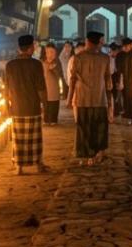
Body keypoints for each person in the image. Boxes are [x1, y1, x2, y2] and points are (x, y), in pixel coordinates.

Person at [3, 35, 50, 175]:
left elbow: (6, 88)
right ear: (30, 48)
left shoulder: (10, 65)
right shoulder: (36, 64)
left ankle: (19, 167)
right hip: (33, 106)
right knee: (34, 138)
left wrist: (7, 106)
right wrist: (45, 105)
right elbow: (41, 87)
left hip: (17, 107)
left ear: (19, 48)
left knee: (18, 138)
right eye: (34, 46)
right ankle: (38, 164)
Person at [69, 31, 113, 164]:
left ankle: (87, 155)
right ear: (98, 42)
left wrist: (69, 97)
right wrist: (109, 100)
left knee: (84, 127)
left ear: (87, 41)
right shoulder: (105, 58)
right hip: (99, 99)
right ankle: (96, 153)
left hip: (83, 99)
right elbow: (108, 81)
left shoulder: (78, 57)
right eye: (101, 41)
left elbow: (72, 79)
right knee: (99, 127)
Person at [42, 44, 64, 125]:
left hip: (54, 88)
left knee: (54, 104)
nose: (50, 54)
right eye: (48, 52)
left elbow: (60, 75)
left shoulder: (57, 64)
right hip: (45, 88)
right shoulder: (43, 63)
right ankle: (46, 119)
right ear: (45, 53)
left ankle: (53, 119)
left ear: (55, 53)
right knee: (46, 105)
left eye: (52, 52)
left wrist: (53, 69)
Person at [119, 39, 132, 125]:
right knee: (127, 98)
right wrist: (121, 81)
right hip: (125, 79)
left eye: (127, 46)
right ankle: (129, 115)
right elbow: (120, 69)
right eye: (124, 46)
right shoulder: (121, 55)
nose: (125, 48)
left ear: (131, 45)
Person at [108, 42, 125, 118]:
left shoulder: (119, 58)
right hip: (110, 76)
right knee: (111, 95)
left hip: (117, 76)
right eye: (112, 51)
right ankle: (112, 111)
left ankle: (117, 110)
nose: (114, 52)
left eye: (115, 51)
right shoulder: (108, 58)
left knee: (117, 95)